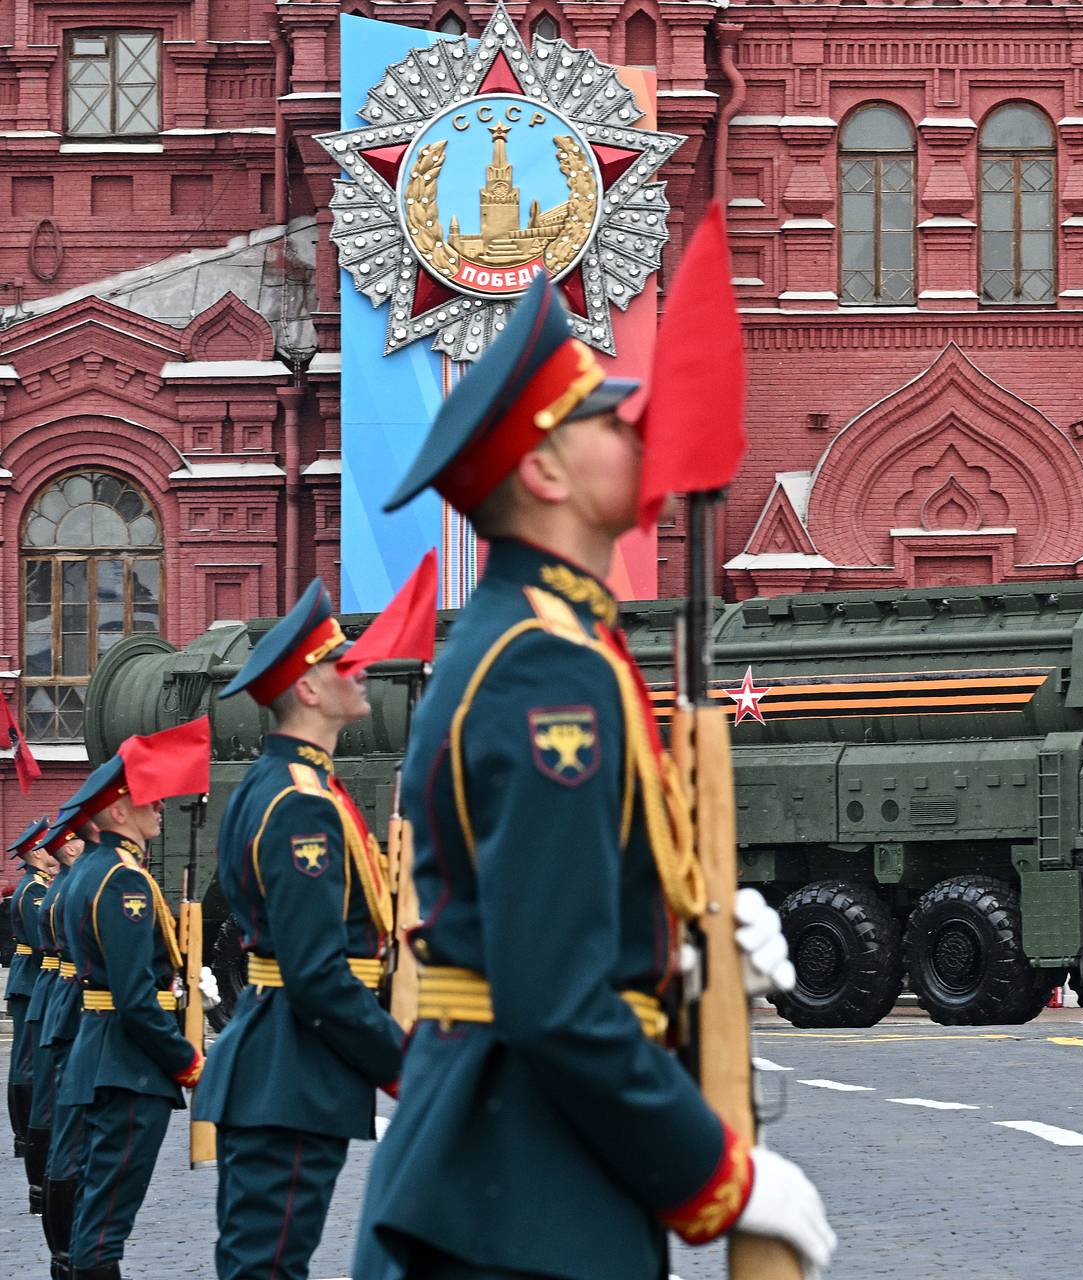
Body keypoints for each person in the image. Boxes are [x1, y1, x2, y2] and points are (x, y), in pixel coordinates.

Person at [354, 276, 835, 1280]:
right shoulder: (545, 666)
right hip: (520, 1192)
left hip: (513, 1184)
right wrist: (720, 1177)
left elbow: (549, 915)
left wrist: (681, 950)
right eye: (602, 415)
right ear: (542, 470)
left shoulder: (552, 640)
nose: (633, 426)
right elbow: (552, 997)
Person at [193, 578, 403, 1280]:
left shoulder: (285, 785)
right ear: (309, 690)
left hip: (286, 1063)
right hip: (290, 1069)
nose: (362, 670)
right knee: (269, 1266)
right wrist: (405, 1064)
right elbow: (316, 974)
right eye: (343, 664)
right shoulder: (298, 804)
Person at [58, 748, 207, 1280]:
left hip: (104, 1054)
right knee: (104, 1230)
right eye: (150, 797)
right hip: (127, 1066)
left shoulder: (90, 871)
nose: (161, 805)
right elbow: (136, 997)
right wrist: (187, 1061)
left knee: (95, 1217)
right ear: (119, 810)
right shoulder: (124, 880)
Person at [32, 817, 91, 1280]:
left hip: (63, 995)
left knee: (65, 1125)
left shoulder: (67, 885)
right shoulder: (82, 885)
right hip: (78, 1002)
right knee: (72, 1130)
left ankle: (64, 1256)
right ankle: (71, 1256)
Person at [5, 818, 52, 1166]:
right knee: (25, 1060)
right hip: (31, 978)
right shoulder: (33, 891)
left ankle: (25, 1134)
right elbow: (42, 943)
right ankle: (24, 1135)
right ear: (34, 855)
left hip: (31, 977)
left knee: (28, 1058)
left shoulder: (38, 887)